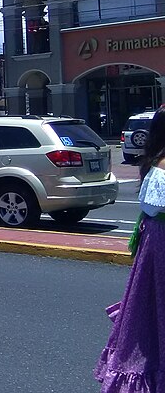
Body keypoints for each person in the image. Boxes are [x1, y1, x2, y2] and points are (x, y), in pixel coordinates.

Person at [95, 105, 165, 392]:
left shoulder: (153, 160)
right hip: (160, 243)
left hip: (154, 242)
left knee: (150, 309)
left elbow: (150, 208)